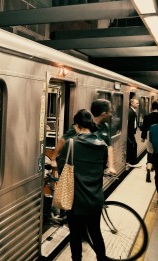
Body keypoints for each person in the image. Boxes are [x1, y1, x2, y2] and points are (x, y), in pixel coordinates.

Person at [57, 109, 108, 261]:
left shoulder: (71, 144)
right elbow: (102, 167)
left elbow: (62, 170)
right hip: (95, 199)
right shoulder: (102, 146)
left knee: (75, 234)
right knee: (95, 232)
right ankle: (101, 258)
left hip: (76, 200)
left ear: (77, 125)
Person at [50, 99, 116, 174]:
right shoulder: (81, 125)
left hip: (95, 170)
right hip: (80, 169)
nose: (111, 114)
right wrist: (53, 159)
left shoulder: (105, 126)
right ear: (104, 113)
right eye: (110, 111)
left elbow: (109, 147)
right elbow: (62, 140)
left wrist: (111, 166)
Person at [141, 101, 158, 182]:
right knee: (157, 153)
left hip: (150, 135)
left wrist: (143, 137)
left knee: (149, 152)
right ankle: (156, 169)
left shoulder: (147, 116)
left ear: (151, 107)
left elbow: (144, 127)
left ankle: (149, 168)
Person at [127, 98, 139, 166]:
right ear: (131, 103)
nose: (138, 104)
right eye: (137, 103)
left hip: (131, 133)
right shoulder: (130, 111)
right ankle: (132, 161)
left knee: (133, 145)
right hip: (129, 133)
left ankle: (133, 161)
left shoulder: (132, 111)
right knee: (133, 146)